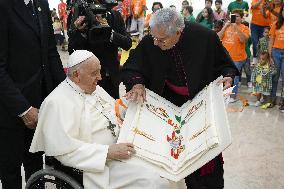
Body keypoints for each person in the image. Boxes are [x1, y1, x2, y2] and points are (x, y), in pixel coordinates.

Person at [30, 50, 184, 189]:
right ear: (76, 75)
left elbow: (114, 111)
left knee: (169, 170)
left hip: (121, 150)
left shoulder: (95, 88)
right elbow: (64, 153)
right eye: (94, 73)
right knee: (154, 182)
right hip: (95, 167)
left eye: (99, 71)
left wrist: (130, 102)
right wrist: (106, 152)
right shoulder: (56, 102)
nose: (100, 77)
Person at [121, 8, 239, 189]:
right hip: (167, 103)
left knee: (203, 156)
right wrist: (137, 83)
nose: (156, 43)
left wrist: (227, 76)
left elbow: (224, 65)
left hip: (200, 105)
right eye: (154, 37)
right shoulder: (152, 41)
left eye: (162, 40)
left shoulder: (205, 37)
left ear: (178, 32)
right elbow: (132, 67)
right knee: (168, 156)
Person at [0, 0, 66, 188]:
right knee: (10, 172)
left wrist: (67, 93)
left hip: (39, 106)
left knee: (36, 171)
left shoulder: (41, 3)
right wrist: (23, 109)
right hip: (10, 109)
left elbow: (51, 53)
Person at [68, 1, 132, 99]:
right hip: (89, 79)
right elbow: (72, 50)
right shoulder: (79, 15)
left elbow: (127, 44)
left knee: (112, 110)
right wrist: (79, 32)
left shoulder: (115, 16)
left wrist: (110, 33)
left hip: (111, 78)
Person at [218, 9, 249, 102]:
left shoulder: (244, 27)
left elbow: (243, 40)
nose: (235, 17)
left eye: (237, 16)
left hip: (237, 58)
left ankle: (232, 96)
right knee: (225, 76)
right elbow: (218, 37)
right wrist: (225, 27)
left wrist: (236, 27)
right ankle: (225, 94)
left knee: (234, 77)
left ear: (241, 18)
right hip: (225, 57)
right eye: (233, 15)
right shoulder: (227, 26)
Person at [269, 5, 284, 111]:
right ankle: (272, 99)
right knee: (274, 77)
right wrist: (270, 55)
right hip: (276, 52)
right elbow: (271, 40)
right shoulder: (276, 24)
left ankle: (283, 101)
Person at [250, 0, 270, 65]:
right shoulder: (254, 1)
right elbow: (254, 6)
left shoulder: (268, 1)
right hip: (255, 25)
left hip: (265, 25)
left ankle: (263, 59)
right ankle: (255, 58)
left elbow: (269, 11)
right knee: (255, 41)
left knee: (264, 43)